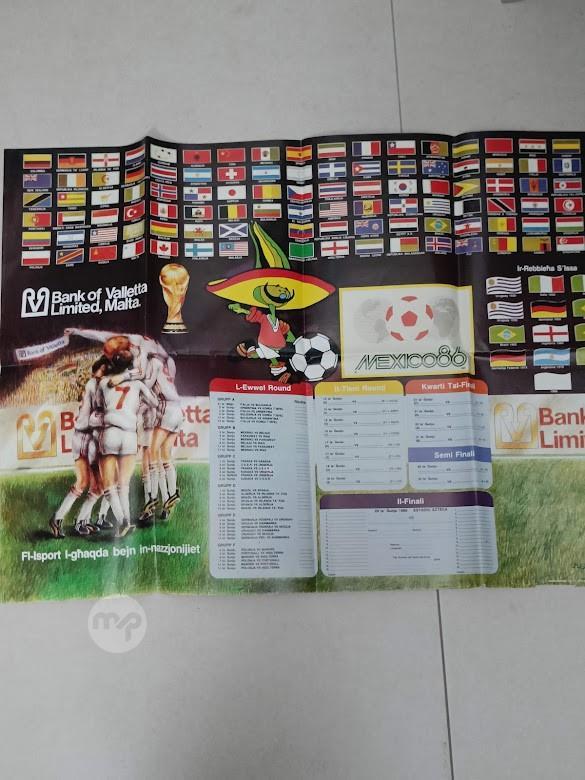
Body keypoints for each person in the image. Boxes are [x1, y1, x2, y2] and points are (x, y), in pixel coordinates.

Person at [94, 350, 158, 538]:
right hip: (129, 434)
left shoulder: (103, 383)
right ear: (130, 366)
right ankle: (127, 522)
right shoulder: (137, 384)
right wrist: (137, 406)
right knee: (124, 485)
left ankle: (122, 521)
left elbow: (99, 405)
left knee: (109, 486)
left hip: (110, 431)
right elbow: (154, 402)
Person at [49, 356, 110, 539]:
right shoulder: (94, 385)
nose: (105, 373)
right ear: (96, 371)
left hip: (91, 437)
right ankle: (58, 519)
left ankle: (81, 520)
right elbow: (98, 414)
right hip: (84, 437)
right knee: (84, 482)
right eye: (103, 370)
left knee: (99, 485)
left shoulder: (98, 385)